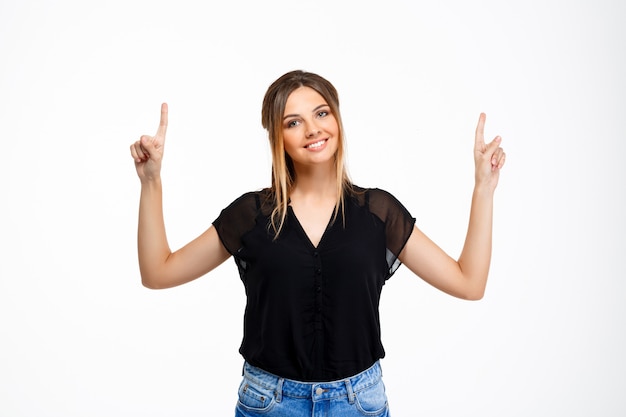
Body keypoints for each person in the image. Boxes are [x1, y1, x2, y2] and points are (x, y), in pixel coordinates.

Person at [129, 70, 505, 417]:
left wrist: (484, 189)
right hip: (269, 403)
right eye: (294, 122)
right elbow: (158, 272)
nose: (312, 129)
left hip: (358, 403)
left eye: (322, 113)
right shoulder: (251, 215)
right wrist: (151, 182)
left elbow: (468, 283)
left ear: (337, 120)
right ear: (278, 137)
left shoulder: (378, 212)